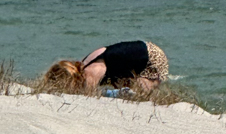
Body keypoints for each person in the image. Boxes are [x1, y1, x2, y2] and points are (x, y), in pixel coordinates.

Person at [40, 41, 169, 95]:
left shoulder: (91, 72)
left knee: (143, 94)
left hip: (152, 57)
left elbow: (89, 97)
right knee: (126, 90)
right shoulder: (84, 65)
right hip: (139, 52)